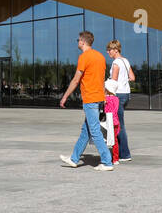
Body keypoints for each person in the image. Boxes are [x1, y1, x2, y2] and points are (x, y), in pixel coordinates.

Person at [58, 30, 113, 171]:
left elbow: (76, 80)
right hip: (99, 97)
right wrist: (104, 97)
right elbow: (101, 79)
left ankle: (107, 162)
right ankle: (74, 158)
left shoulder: (84, 57)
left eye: (78, 40)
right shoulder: (100, 57)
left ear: (82, 41)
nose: (77, 42)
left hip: (90, 98)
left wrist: (65, 96)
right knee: (86, 130)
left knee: (94, 131)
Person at [106, 40, 135, 162]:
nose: (108, 52)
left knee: (118, 125)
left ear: (116, 50)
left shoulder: (116, 63)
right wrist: (124, 80)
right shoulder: (126, 61)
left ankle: (124, 154)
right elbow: (132, 78)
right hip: (126, 94)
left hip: (117, 95)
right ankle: (120, 152)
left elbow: (113, 81)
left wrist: (106, 92)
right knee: (119, 123)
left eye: (110, 50)